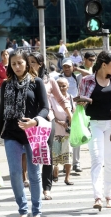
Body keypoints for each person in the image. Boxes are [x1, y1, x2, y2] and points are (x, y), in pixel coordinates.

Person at [0, 49, 49, 217]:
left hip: (33, 133)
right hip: (11, 134)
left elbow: (45, 108)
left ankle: (37, 212)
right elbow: (1, 114)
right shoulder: (6, 85)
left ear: (27, 63)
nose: (16, 66)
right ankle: (23, 211)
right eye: (13, 64)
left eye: (20, 63)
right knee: (16, 174)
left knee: (34, 174)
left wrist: (35, 121)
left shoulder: (37, 82)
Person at [28, 52, 72, 200]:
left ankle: (46, 188)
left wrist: (69, 114)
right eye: (28, 62)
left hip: (47, 120)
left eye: (33, 62)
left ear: (40, 64)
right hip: (29, 121)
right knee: (31, 153)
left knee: (47, 153)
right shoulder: (23, 80)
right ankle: (33, 182)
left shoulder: (50, 81)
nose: (30, 65)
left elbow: (61, 99)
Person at [78, 51, 111, 211]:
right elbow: (79, 101)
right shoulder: (87, 80)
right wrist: (82, 101)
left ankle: (109, 195)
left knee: (110, 161)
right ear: (104, 65)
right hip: (93, 124)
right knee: (97, 159)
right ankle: (98, 197)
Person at [57, 58, 83, 173]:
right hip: (61, 111)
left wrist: (76, 69)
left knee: (76, 138)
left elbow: (89, 74)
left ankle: (76, 163)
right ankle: (65, 164)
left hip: (75, 110)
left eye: (69, 66)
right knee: (64, 138)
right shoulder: (58, 78)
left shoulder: (76, 78)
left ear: (72, 66)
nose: (66, 68)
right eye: (65, 66)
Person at [51, 78, 74, 186]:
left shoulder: (71, 99)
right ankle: (55, 171)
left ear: (68, 86)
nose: (61, 88)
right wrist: (59, 122)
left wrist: (68, 122)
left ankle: (67, 177)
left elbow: (74, 113)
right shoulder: (51, 98)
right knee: (55, 155)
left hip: (68, 132)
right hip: (55, 131)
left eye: (63, 86)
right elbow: (49, 113)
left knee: (68, 155)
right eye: (59, 86)